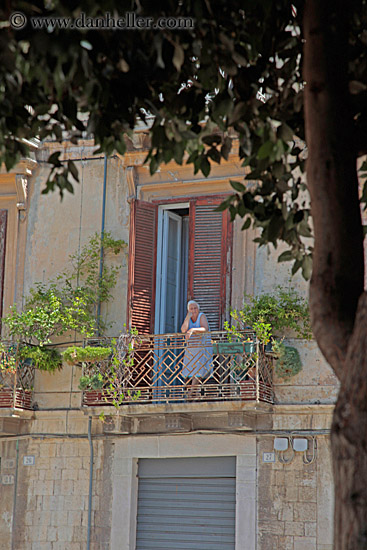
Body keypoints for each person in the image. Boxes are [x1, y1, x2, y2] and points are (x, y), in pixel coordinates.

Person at [180, 300, 212, 399]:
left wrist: (193, 330)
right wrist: (187, 317)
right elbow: (183, 330)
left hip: (202, 347)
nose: (194, 310)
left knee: (199, 370)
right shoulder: (188, 318)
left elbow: (205, 328)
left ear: (198, 309)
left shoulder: (201, 316)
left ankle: (190, 394)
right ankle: (196, 395)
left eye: (195, 308)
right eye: (191, 308)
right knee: (191, 371)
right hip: (192, 348)